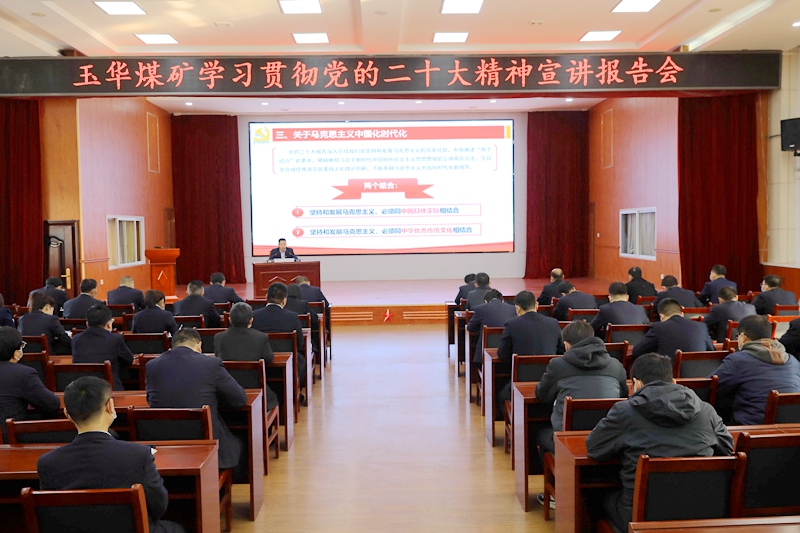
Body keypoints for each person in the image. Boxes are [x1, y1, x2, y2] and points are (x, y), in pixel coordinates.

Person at [586, 353, 734, 533]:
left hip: (641, 516)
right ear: (673, 381)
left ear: (636, 383)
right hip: (699, 512)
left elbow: (595, 449)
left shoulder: (625, 412)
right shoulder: (706, 410)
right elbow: (727, 449)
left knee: (593, 497)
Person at [37, 376, 185, 533]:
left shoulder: (47, 462)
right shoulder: (139, 455)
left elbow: (50, 516)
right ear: (110, 406)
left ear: (67, 414)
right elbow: (159, 506)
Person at [146, 328, 248, 470]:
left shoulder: (151, 366)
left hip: (164, 442)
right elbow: (240, 398)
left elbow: (150, 400)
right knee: (240, 441)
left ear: (172, 346)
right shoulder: (211, 364)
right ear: (199, 345)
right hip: (203, 441)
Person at [535, 320, 627, 460]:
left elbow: (542, 395)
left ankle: (557, 472)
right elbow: (623, 395)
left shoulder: (558, 365)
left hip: (568, 439)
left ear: (566, 345)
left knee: (541, 436)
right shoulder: (616, 365)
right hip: (607, 438)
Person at [713, 315, 800, 425]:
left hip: (751, 427)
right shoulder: (792, 360)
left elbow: (711, 388)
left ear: (743, 337)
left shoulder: (738, 360)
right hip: (793, 427)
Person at [497, 290, 565, 405]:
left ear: (517, 308)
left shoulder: (512, 324)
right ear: (536, 305)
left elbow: (502, 354)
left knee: (502, 395)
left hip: (522, 379)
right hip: (550, 379)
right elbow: (561, 350)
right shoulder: (553, 323)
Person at [214, 302, 279, 410]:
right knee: (274, 397)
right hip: (254, 388)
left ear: (230, 320)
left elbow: (218, 358)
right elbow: (269, 358)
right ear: (251, 321)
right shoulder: (261, 337)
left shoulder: (219, 338)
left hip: (227, 390)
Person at [0, 327, 60, 442]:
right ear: (15, 353)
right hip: (10, 440)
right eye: (21, 346)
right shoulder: (23, 374)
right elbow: (52, 404)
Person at [252, 282, 307, 401]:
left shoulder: (254, 315)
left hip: (260, 361)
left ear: (266, 297)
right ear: (284, 300)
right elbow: (300, 343)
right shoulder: (292, 316)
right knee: (301, 360)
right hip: (288, 362)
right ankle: (295, 392)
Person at [71, 304, 134, 390]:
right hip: (108, 388)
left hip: (82, 388)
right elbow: (129, 360)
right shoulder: (115, 339)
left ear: (87, 324)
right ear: (109, 324)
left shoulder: (75, 339)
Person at [632, 299, 714, 360]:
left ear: (661, 317)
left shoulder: (658, 328)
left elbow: (637, 351)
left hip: (669, 375)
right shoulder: (701, 326)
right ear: (682, 314)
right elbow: (712, 351)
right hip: (700, 375)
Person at [466, 289, 516, 364]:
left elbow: (470, 328)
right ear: (502, 300)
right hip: (509, 353)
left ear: (485, 301)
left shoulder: (480, 308)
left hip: (486, 352)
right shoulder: (513, 309)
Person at [285, 283, 320, 354]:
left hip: (286, 338)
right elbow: (314, 318)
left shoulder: (283, 304)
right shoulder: (303, 304)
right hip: (301, 337)